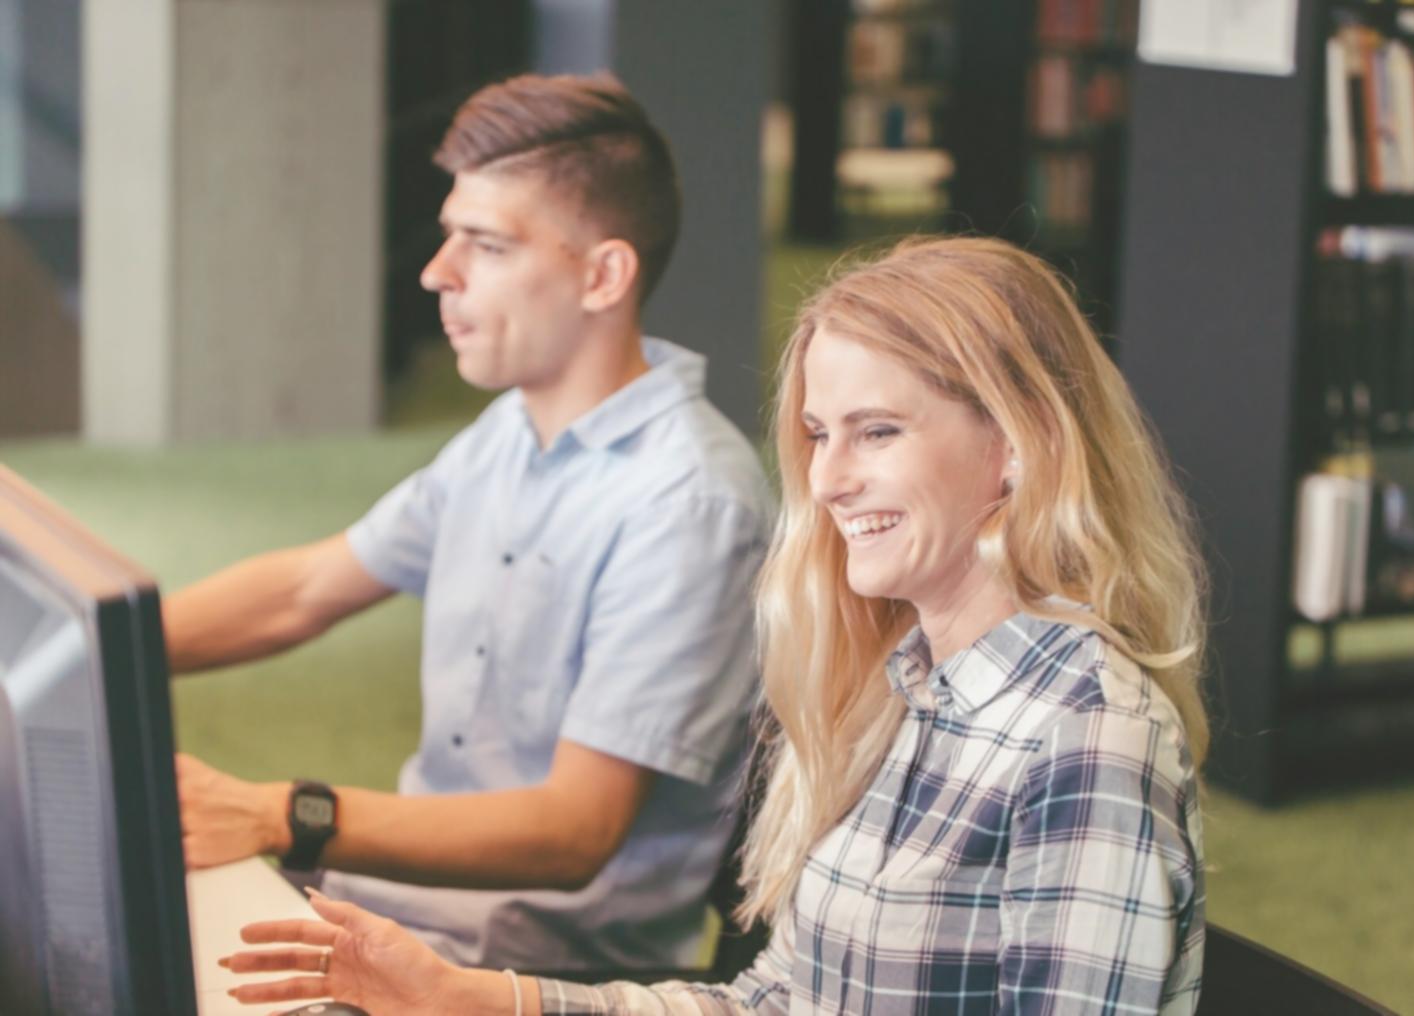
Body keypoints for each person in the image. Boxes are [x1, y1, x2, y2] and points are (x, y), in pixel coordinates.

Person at [220, 235, 1209, 1014]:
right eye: (819, 434)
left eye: (878, 430)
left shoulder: (1085, 736)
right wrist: (470, 996)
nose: (824, 479)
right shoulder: (903, 686)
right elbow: (776, 1001)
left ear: (1017, 443)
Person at [164, 73, 772, 973]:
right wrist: (93, 649)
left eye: (483, 246)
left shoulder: (686, 504)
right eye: (451, 237)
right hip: (386, 910)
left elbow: (574, 832)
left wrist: (279, 814)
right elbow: (303, 591)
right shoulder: (510, 434)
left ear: (603, 274)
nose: (436, 273)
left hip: (524, 969)